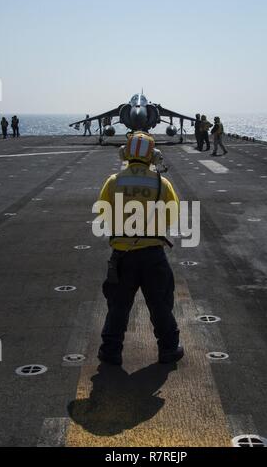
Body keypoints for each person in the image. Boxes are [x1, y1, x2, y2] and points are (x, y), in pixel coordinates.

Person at [97, 131, 184, 366]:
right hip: (153, 255)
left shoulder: (114, 181)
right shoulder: (161, 183)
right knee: (159, 304)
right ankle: (168, 349)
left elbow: (103, 213)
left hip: (122, 256)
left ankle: (110, 351)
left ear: (125, 153)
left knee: (118, 306)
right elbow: (173, 215)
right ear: (153, 156)